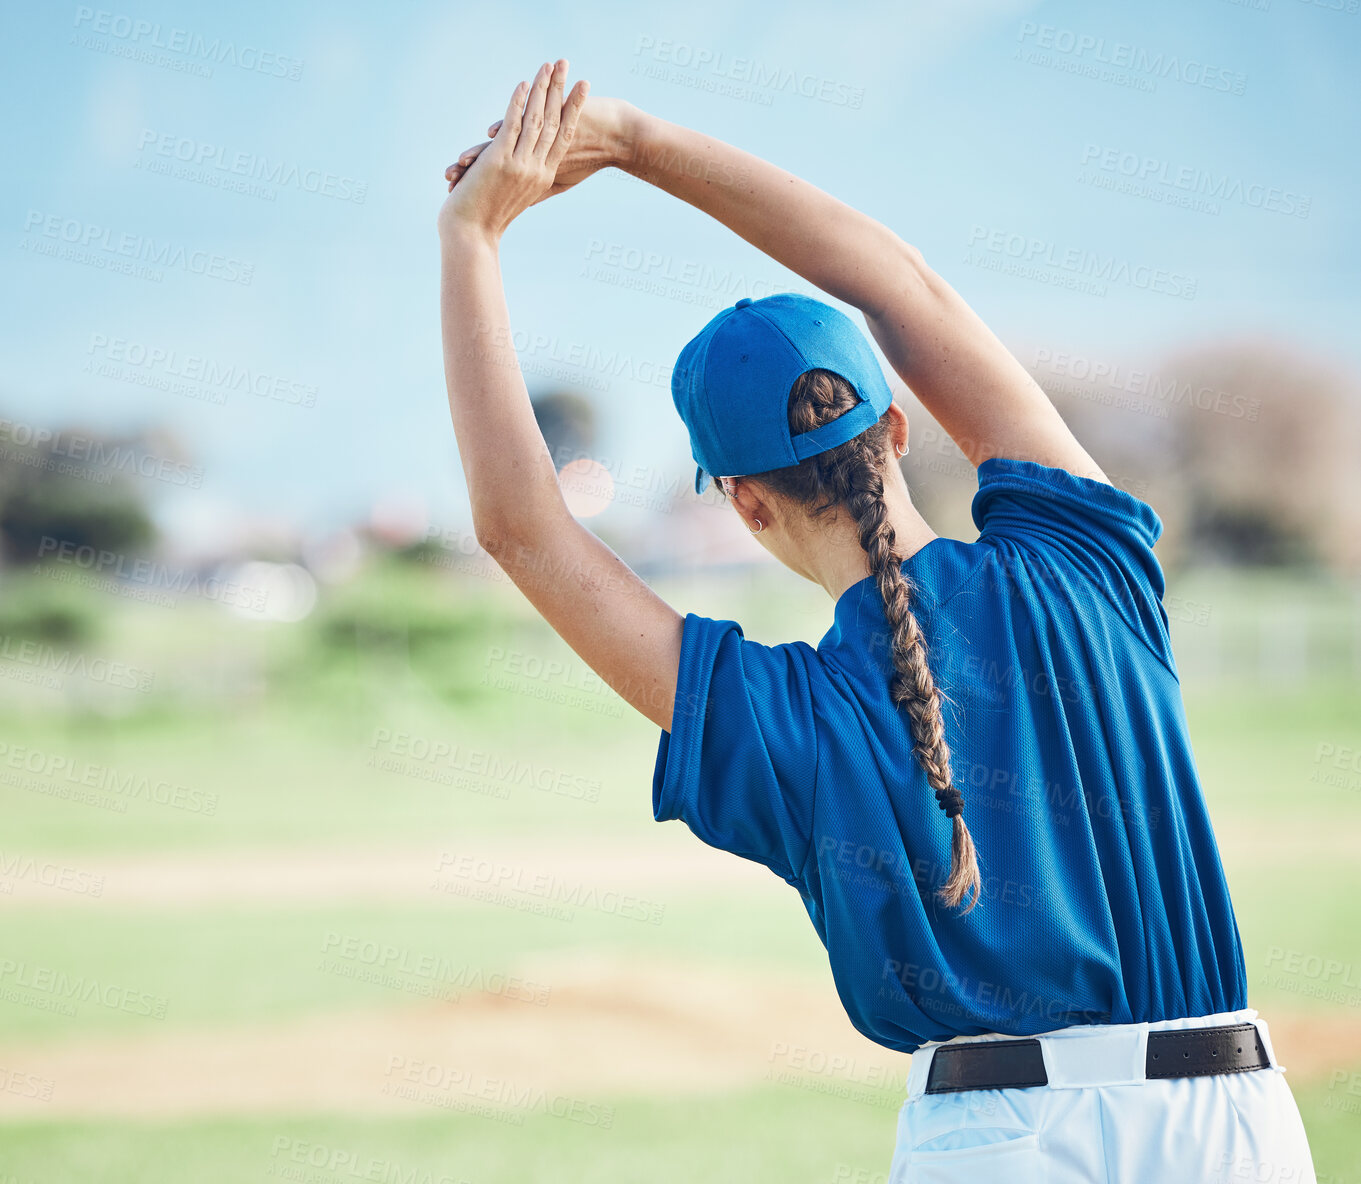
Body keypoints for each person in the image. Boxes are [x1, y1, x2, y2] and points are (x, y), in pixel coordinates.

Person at [436, 59, 1319, 1182]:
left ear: (744, 502)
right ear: (898, 429)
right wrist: (636, 139)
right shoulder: (1084, 558)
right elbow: (902, 287)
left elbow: (524, 529)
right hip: (1228, 1124)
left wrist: (473, 241)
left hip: (996, 1143)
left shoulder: (784, 714)